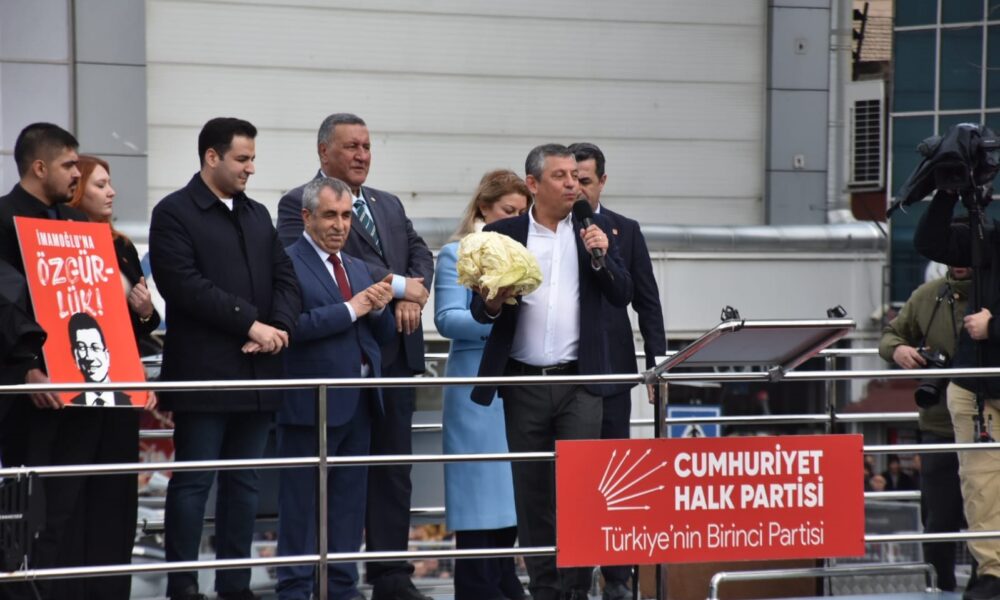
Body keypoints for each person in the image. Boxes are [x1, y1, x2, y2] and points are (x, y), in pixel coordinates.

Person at [276, 113, 434, 600]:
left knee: (373, 486)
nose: (362, 155)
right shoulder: (294, 217)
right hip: (318, 390)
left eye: (367, 146)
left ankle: (368, 581)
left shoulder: (386, 207)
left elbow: (418, 254)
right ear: (324, 152)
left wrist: (397, 299)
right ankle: (296, 588)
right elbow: (294, 313)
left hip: (376, 379)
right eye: (351, 147)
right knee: (304, 500)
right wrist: (375, 296)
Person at [470, 144, 632, 600]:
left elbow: (622, 294)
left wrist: (603, 255)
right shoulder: (503, 233)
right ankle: (545, 588)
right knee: (533, 493)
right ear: (533, 184)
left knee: (580, 494)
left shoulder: (594, 229)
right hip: (523, 382)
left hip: (580, 383)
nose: (571, 184)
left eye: (576, 177)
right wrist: (492, 301)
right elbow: (480, 311)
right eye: (560, 176)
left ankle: (576, 589)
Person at [149, 117, 301, 600]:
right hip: (204, 374)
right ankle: (183, 587)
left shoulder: (257, 214)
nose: (251, 168)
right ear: (211, 157)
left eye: (253, 158)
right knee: (194, 483)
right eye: (242, 158)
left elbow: (285, 277)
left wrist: (278, 329)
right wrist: (250, 324)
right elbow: (183, 285)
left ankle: (235, 585)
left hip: (258, 373)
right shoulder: (174, 212)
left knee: (244, 483)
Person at [0, 123, 139, 600]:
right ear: (39, 167)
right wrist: (25, 369)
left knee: (77, 509)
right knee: (33, 514)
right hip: (32, 399)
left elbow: (97, 306)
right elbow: (5, 306)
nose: (76, 174)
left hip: (85, 399)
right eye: (68, 165)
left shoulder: (78, 223)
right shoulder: (2, 221)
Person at [277, 177, 396, 600]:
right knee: (300, 505)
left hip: (360, 400)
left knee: (349, 503)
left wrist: (378, 309)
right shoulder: (287, 262)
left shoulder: (358, 267)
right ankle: (294, 589)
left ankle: (343, 587)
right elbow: (290, 327)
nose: (340, 225)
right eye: (330, 215)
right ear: (306, 217)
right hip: (311, 402)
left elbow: (380, 334)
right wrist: (352, 308)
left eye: (346, 216)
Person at [568, 142, 666, 598]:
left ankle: (618, 578)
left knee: (615, 477)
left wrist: (657, 365)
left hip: (610, 372)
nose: (577, 189)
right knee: (573, 481)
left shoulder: (625, 230)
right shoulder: (551, 228)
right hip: (563, 375)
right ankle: (572, 579)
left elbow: (647, 301)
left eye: (585, 181)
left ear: (602, 182)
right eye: (570, 180)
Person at [434, 170, 529, 600]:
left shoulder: (527, 255)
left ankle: (504, 577)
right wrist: (493, 317)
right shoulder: (456, 253)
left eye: (522, 212)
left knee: (514, 493)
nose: (515, 219)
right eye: (508, 210)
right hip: (475, 388)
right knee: (477, 496)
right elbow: (446, 320)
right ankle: (478, 585)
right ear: (483, 208)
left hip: (518, 385)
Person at [914, 190, 1000, 600]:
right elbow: (930, 242)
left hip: (980, 374)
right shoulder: (989, 237)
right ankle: (992, 573)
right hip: (975, 385)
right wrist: (947, 193)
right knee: (980, 489)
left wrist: (994, 327)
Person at [879, 264, 969, 592]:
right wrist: (899, 350)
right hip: (939, 425)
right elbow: (889, 336)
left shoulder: (992, 291)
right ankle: (939, 588)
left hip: (988, 425)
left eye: (965, 253)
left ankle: (985, 586)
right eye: (952, 254)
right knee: (938, 521)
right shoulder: (928, 295)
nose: (958, 261)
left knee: (987, 520)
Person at [68, 154, 161, 356]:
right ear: (77, 190)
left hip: (121, 356)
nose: (112, 192)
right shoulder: (57, 243)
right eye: (101, 185)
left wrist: (145, 311)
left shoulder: (121, 245)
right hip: (71, 356)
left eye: (109, 184)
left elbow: (147, 323)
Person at [67, 312, 131, 407]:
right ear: (76, 356)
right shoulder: (70, 405)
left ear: (107, 355)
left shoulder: (131, 402)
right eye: (82, 348)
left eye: (95, 347)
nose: (89, 357)